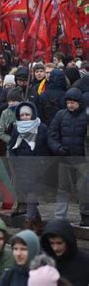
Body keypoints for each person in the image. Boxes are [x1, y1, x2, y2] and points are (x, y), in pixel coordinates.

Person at [48, 88, 89, 225]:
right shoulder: (61, 115)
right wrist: (58, 148)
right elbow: (52, 134)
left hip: (82, 159)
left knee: (84, 188)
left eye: (73, 102)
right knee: (63, 188)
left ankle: (85, 215)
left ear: (80, 103)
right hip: (64, 157)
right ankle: (60, 217)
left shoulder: (86, 116)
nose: (70, 105)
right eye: (68, 102)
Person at [8, 101, 50, 231]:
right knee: (28, 196)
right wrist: (16, 161)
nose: (25, 117)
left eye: (27, 114)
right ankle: (38, 224)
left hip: (37, 168)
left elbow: (46, 147)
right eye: (22, 115)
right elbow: (12, 148)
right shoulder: (17, 129)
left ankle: (28, 223)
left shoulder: (41, 128)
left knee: (32, 195)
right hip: (22, 167)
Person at [40, 218, 89, 286]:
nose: (55, 248)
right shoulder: (44, 262)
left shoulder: (85, 261)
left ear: (68, 241)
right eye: (52, 243)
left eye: (59, 243)